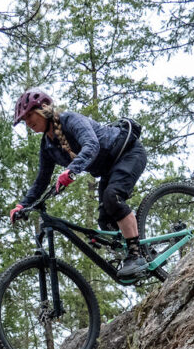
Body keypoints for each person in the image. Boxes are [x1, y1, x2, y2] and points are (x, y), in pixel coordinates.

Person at [10, 88, 149, 278]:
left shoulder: (69, 120)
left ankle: (136, 255)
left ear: (43, 109)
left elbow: (91, 144)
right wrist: (22, 205)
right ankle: (141, 252)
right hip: (108, 170)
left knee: (113, 197)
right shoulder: (47, 145)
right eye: (24, 120)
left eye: (29, 115)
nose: (28, 122)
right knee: (105, 221)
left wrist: (71, 170)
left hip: (128, 153)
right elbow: (42, 180)